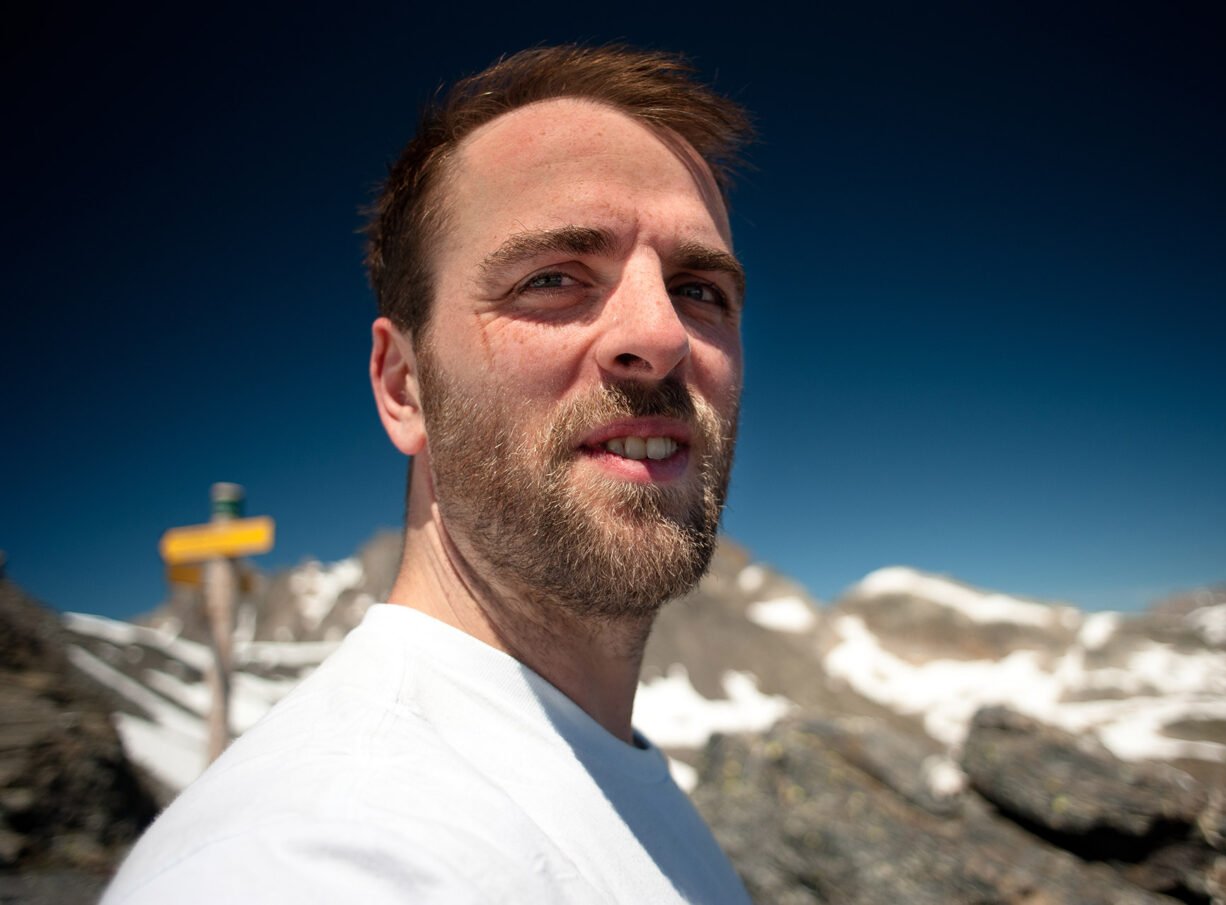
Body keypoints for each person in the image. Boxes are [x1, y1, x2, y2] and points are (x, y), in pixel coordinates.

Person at [103, 45, 753, 904]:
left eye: (700, 288)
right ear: (402, 386)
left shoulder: (609, 775)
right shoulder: (317, 853)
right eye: (553, 278)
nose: (662, 333)